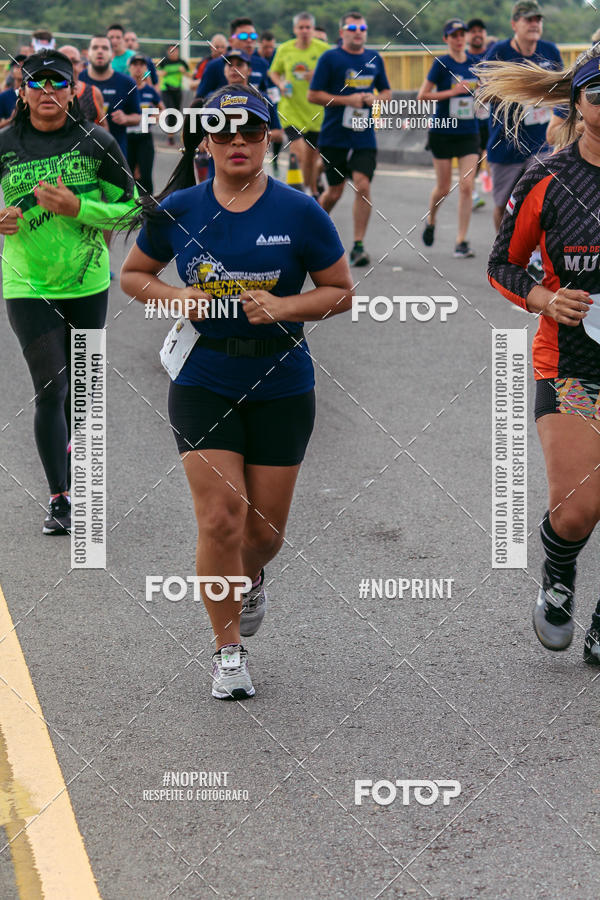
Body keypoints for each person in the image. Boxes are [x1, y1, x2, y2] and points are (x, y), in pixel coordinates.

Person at [120, 85, 352, 700]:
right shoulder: (179, 209)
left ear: (268, 136)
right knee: (220, 519)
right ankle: (227, 651)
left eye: (250, 130)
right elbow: (134, 276)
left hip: (282, 380)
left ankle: (249, 580)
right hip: (204, 378)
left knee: (263, 535)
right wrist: (178, 297)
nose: (237, 142)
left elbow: (340, 292)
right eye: (222, 132)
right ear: (205, 142)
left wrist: (285, 306)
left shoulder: (300, 211)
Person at [482, 46, 600, 663]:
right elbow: (502, 264)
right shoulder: (547, 177)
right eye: (599, 92)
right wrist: (547, 299)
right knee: (578, 510)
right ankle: (558, 572)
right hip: (573, 364)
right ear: (577, 103)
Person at [0, 49, 137, 535]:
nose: (47, 92)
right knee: (51, 388)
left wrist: (79, 207)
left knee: (82, 392)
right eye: (36, 83)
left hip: (87, 284)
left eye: (57, 83)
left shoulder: (96, 142)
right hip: (28, 285)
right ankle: (59, 497)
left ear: (74, 91)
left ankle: (81, 478)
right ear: (21, 92)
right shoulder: (5, 144)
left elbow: (132, 210)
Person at [308, 11, 391, 266]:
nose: (358, 33)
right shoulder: (330, 58)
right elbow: (314, 95)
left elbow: (386, 92)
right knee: (334, 192)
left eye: (362, 29)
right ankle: (308, 234)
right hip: (334, 136)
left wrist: (374, 98)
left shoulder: (374, 58)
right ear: (342, 32)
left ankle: (358, 245)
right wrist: (347, 100)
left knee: (363, 185)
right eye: (353, 28)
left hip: (364, 135)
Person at [483, 0, 562, 235]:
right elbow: (483, 92)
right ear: (514, 24)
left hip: (541, 143)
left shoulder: (550, 51)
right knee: (504, 206)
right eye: (528, 19)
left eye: (538, 19)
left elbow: (562, 93)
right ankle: (503, 249)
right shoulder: (499, 52)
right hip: (505, 144)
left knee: (543, 202)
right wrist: (521, 91)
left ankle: (536, 251)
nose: (534, 24)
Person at [417, 19, 480, 258]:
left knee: (466, 186)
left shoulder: (475, 64)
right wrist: (453, 92)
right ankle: (431, 220)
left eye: (462, 34)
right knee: (443, 187)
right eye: (454, 35)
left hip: (468, 132)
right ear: (446, 39)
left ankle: (461, 241)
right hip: (443, 131)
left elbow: (484, 90)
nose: (459, 39)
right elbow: (422, 96)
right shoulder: (441, 63)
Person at [269, 12, 329, 196]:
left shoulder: (324, 50)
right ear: (295, 29)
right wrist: (280, 84)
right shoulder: (285, 49)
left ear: (312, 29)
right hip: (291, 110)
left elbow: (334, 76)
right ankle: (294, 194)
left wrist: (318, 76)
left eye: (307, 27)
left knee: (310, 160)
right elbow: (273, 72)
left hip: (315, 113)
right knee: (298, 151)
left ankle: (307, 193)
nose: (304, 31)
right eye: (301, 27)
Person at [80, 35, 141, 156]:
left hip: (116, 153)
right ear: (88, 54)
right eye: (95, 47)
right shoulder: (78, 80)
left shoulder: (127, 83)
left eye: (105, 48)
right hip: (82, 154)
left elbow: (138, 117)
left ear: (112, 55)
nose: (100, 51)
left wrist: (126, 118)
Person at [197, 17, 269, 97]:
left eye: (253, 36)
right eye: (243, 36)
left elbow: (267, 95)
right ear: (231, 41)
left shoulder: (262, 64)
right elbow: (200, 98)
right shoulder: (214, 66)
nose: (249, 40)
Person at [127, 54, 163, 193]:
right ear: (129, 68)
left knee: (145, 175)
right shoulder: (124, 88)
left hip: (144, 136)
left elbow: (162, 109)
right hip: (126, 137)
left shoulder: (149, 90)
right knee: (127, 175)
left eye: (141, 65)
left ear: (146, 68)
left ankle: (148, 203)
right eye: (135, 64)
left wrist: (154, 117)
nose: (138, 68)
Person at [466, 17, 491, 209]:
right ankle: (472, 193)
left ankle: (489, 180)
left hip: (491, 117)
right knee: (474, 156)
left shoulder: (493, 57)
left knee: (489, 152)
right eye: (473, 31)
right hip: (470, 117)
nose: (477, 34)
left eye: (480, 31)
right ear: (468, 35)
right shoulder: (463, 58)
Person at [58, 45, 107, 128]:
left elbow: (103, 126)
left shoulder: (93, 92)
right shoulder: (47, 93)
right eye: (63, 61)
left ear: (81, 66)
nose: (69, 66)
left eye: (74, 61)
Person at [158, 44, 189, 144]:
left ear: (178, 52)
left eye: (175, 51)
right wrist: (162, 73)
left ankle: (172, 133)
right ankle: (170, 137)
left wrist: (184, 72)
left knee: (176, 112)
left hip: (177, 89)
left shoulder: (182, 62)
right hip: (166, 89)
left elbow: (191, 75)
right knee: (170, 109)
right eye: (170, 51)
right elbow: (155, 73)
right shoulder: (164, 62)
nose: (173, 53)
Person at [0, 55, 26, 127]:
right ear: (11, 73)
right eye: (18, 66)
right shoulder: (3, 97)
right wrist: (11, 119)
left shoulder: (34, 94)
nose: (21, 69)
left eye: (24, 66)